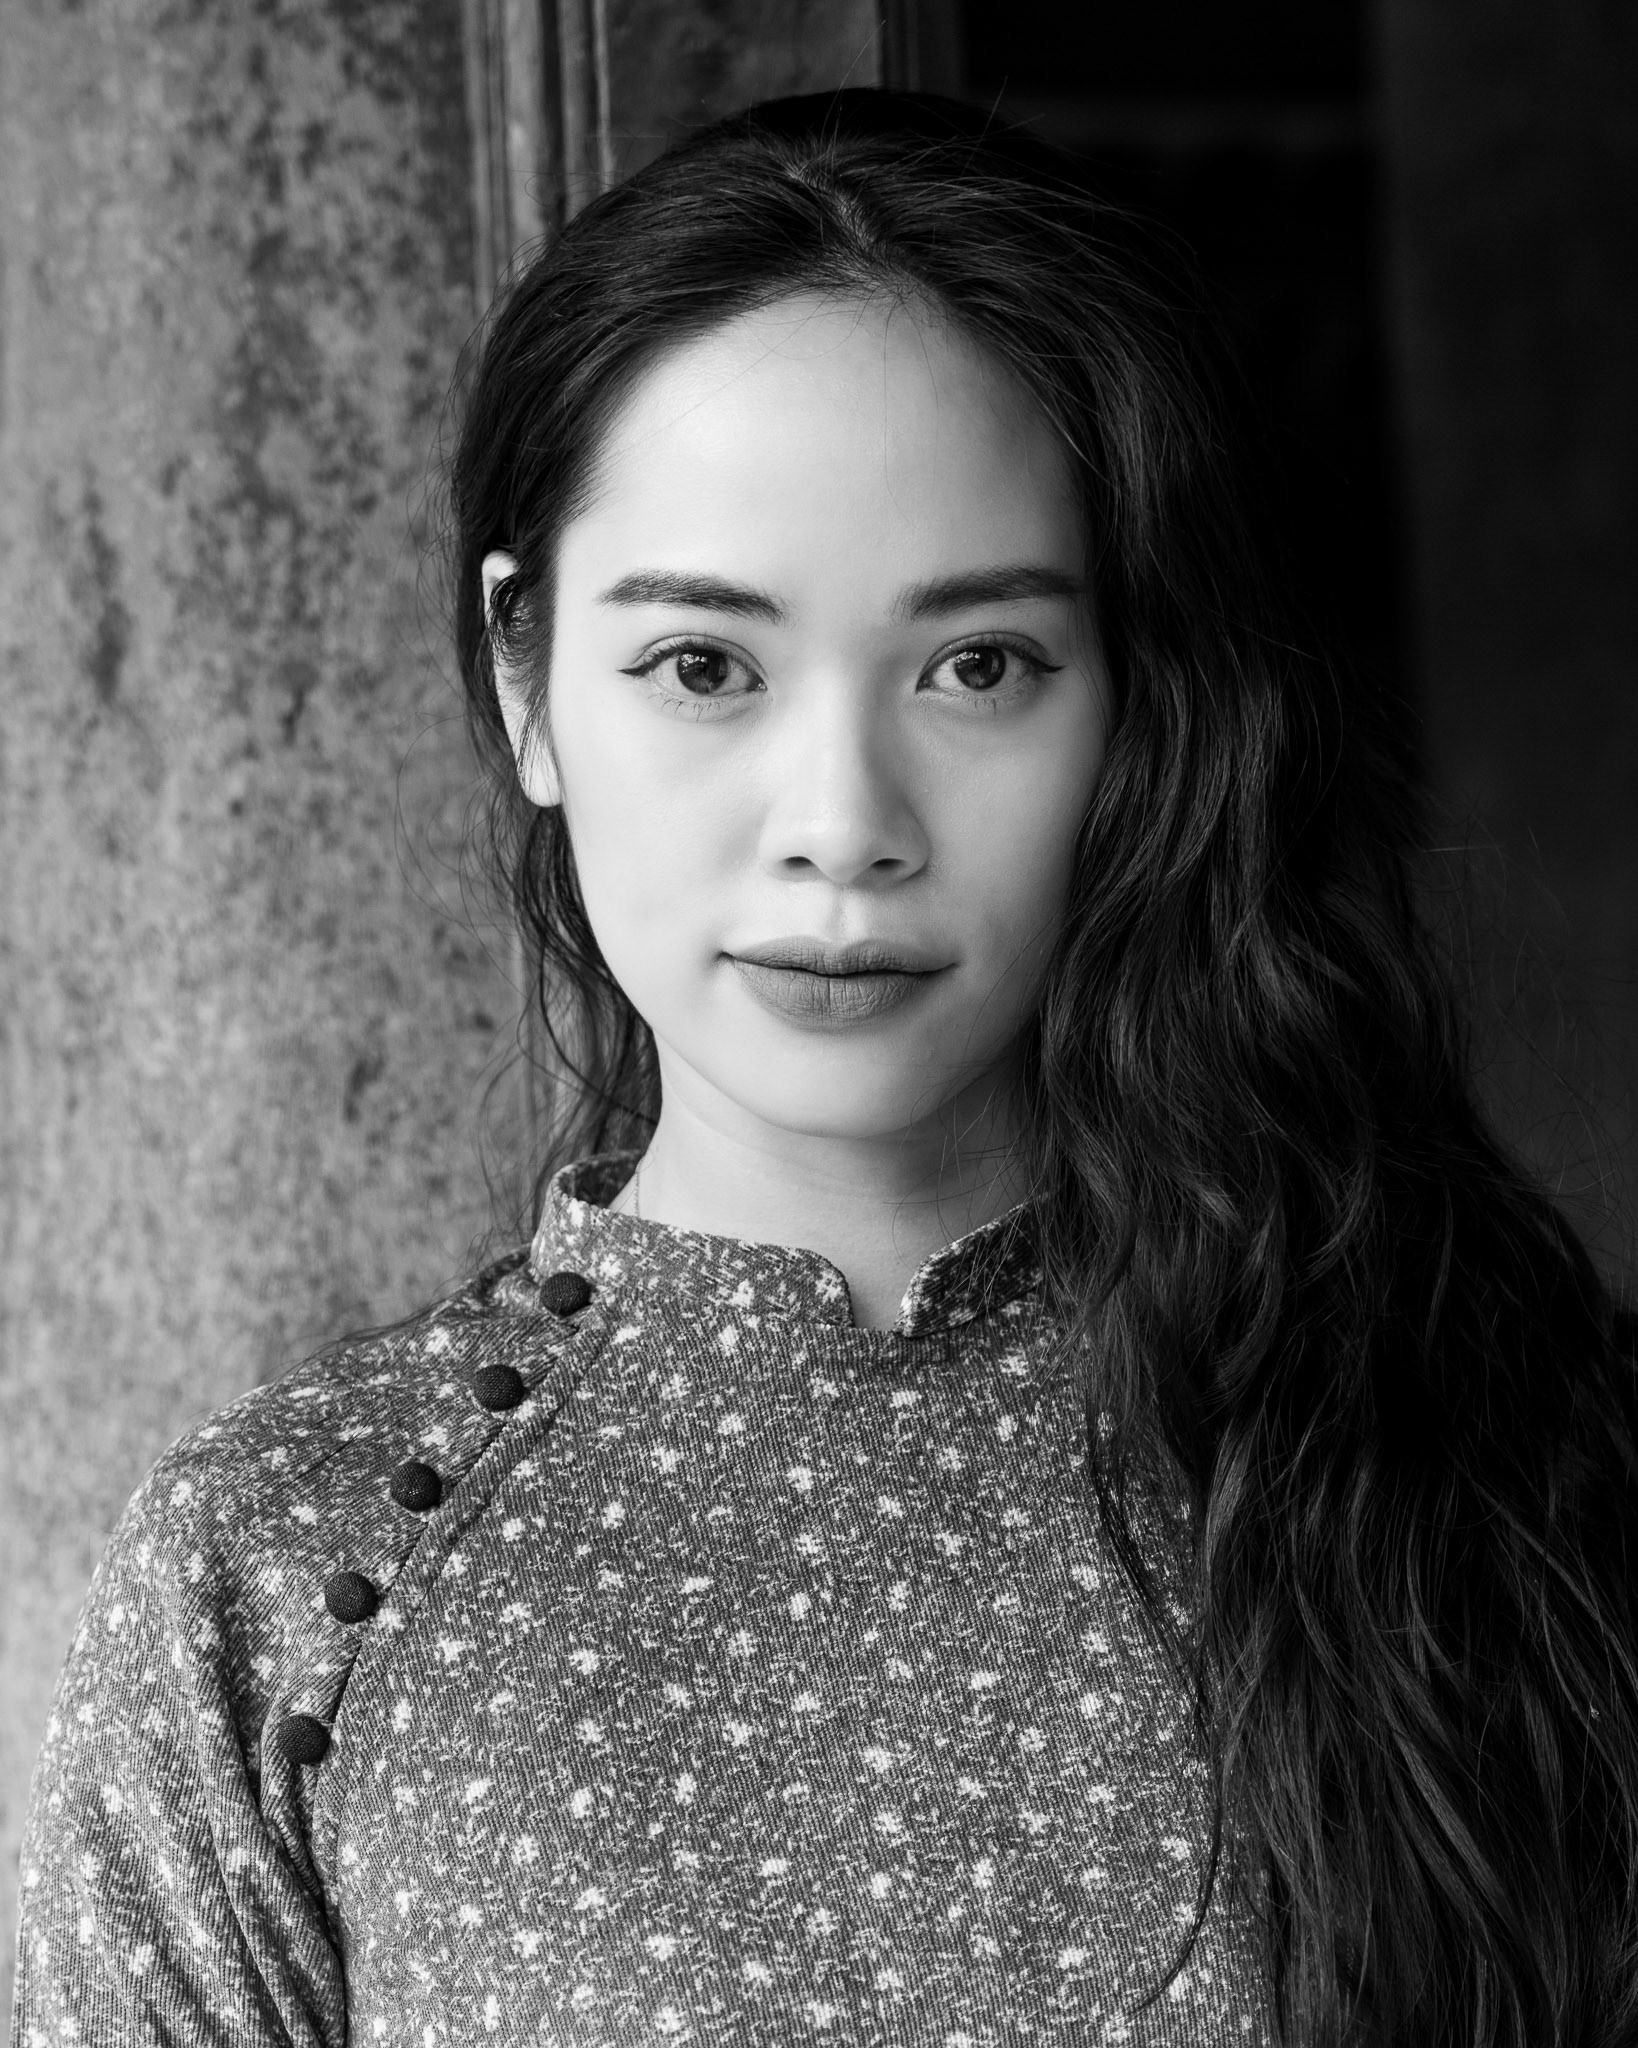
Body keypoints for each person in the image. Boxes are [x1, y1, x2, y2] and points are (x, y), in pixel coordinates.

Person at [10, 85, 1638, 2048]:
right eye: (706, 666)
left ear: (1137, 701)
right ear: (527, 680)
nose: (842, 819)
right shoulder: (289, 1579)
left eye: (980, 666)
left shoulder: (1499, 1463)